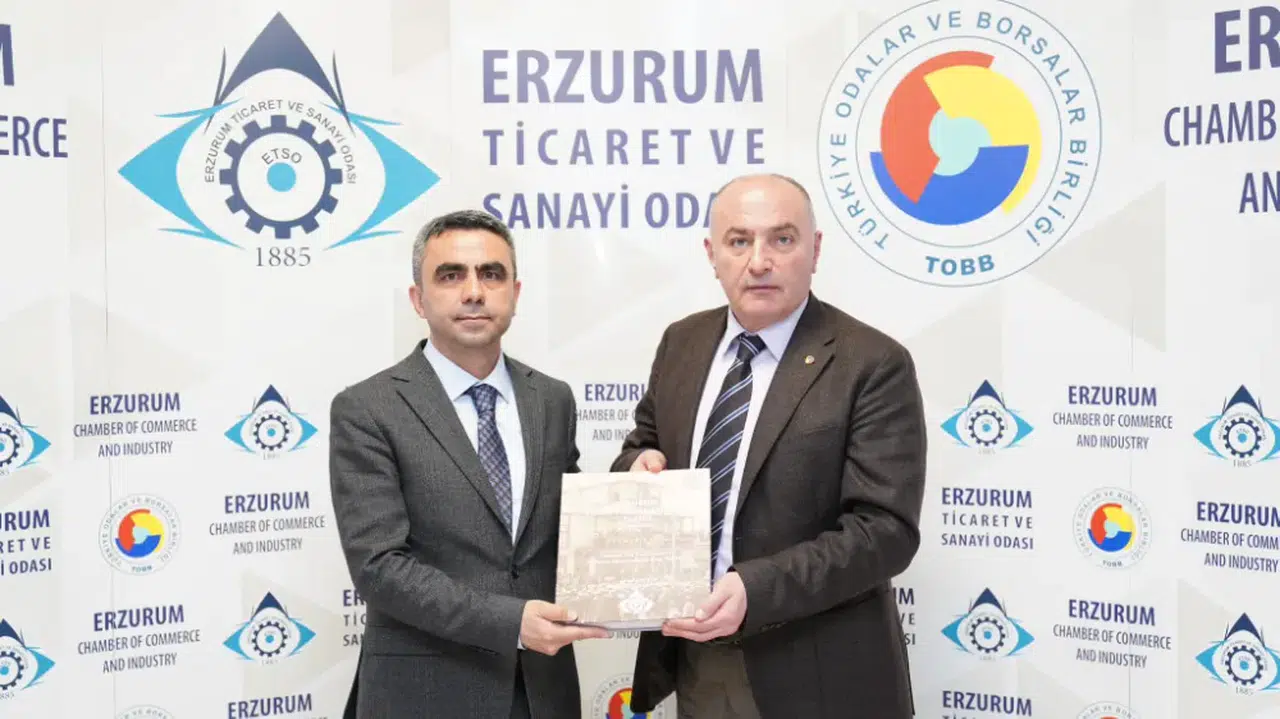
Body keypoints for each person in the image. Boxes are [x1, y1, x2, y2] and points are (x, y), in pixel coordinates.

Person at [612, 173, 927, 718]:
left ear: (815, 249)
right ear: (712, 254)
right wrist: (637, 466)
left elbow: (885, 531)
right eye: (739, 241)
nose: (759, 261)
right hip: (696, 657)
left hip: (818, 671)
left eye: (782, 239)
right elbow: (643, 444)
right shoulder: (682, 342)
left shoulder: (873, 363)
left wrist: (755, 590)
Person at [329, 209, 608, 719]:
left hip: (544, 692)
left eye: (491, 274)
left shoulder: (552, 400)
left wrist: (642, 499)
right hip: (427, 693)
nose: (474, 292)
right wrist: (511, 622)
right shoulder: (367, 409)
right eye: (451, 275)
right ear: (418, 299)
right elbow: (378, 566)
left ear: (515, 294)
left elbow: (571, 531)